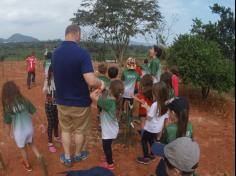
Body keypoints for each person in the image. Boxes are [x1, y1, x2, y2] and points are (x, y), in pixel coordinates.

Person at [52, 24, 105, 167]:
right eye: (80, 34)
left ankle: (67, 157)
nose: (80, 38)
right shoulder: (82, 53)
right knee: (80, 130)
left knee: (66, 129)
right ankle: (78, 154)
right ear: (75, 33)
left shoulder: (55, 53)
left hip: (62, 100)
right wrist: (101, 83)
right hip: (80, 102)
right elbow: (90, 80)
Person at [1, 81, 45, 172]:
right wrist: (41, 124)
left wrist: (8, 134)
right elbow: (34, 113)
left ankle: (27, 165)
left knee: (23, 149)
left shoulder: (8, 107)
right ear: (16, 90)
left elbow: (8, 124)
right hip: (29, 129)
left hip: (19, 133)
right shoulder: (24, 100)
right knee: (32, 144)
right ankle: (39, 157)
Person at [90, 80, 124, 170]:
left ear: (111, 91)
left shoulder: (107, 103)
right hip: (112, 129)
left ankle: (110, 164)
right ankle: (107, 158)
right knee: (108, 146)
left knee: (106, 147)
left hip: (108, 131)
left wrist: (99, 89)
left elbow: (92, 96)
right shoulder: (114, 100)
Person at [136, 82, 169, 165]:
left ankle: (146, 157)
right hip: (157, 128)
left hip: (150, 128)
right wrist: (149, 108)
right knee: (151, 140)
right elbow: (162, 116)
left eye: (153, 93)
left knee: (144, 140)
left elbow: (149, 118)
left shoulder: (155, 104)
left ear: (157, 94)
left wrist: (147, 109)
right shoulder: (166, 103)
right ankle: (152, 154)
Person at [43, 65, 61, 153]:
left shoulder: (59, 80)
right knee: (51, 123)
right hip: (49, 105)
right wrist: (47, 87)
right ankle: (50, 143)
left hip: (57, 105)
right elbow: (44, 91)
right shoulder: (47, 81)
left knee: (56, 121)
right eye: (54, 72)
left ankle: (56, 136)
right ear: (51, 72)